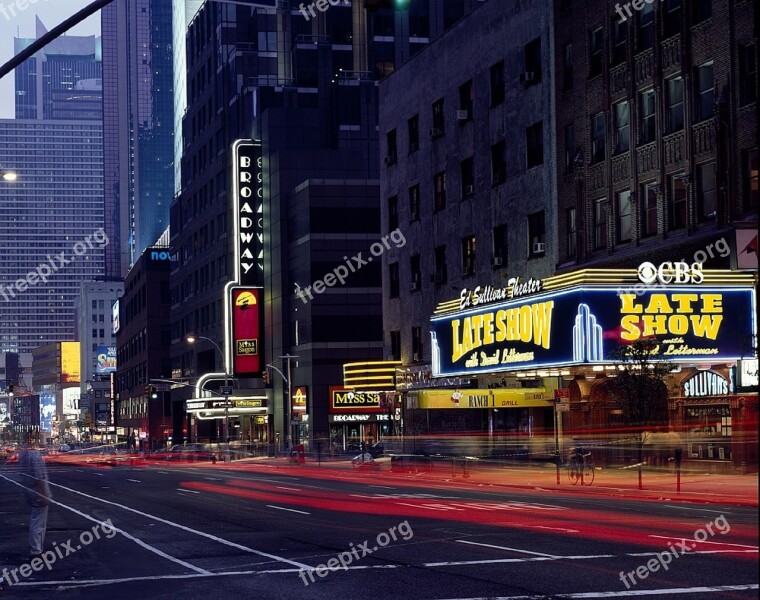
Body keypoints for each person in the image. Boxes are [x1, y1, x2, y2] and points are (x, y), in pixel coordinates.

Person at [19, 445, 51, 558]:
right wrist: (44, 494)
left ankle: (37, 549)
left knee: (36, 520)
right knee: (38, 523)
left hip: (29, 491)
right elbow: (39, 477)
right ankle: (36, 551)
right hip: (38, 492)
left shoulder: (23, 454)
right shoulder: (35, 455)